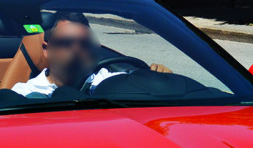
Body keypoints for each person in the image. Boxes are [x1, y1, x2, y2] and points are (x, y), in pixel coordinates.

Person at [11, 12, 167, 97]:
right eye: (66, 42)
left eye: (84, 44)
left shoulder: (107, 82)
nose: (76, 49)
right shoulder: (24, 94)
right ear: (46, 49)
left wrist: (162, 80)